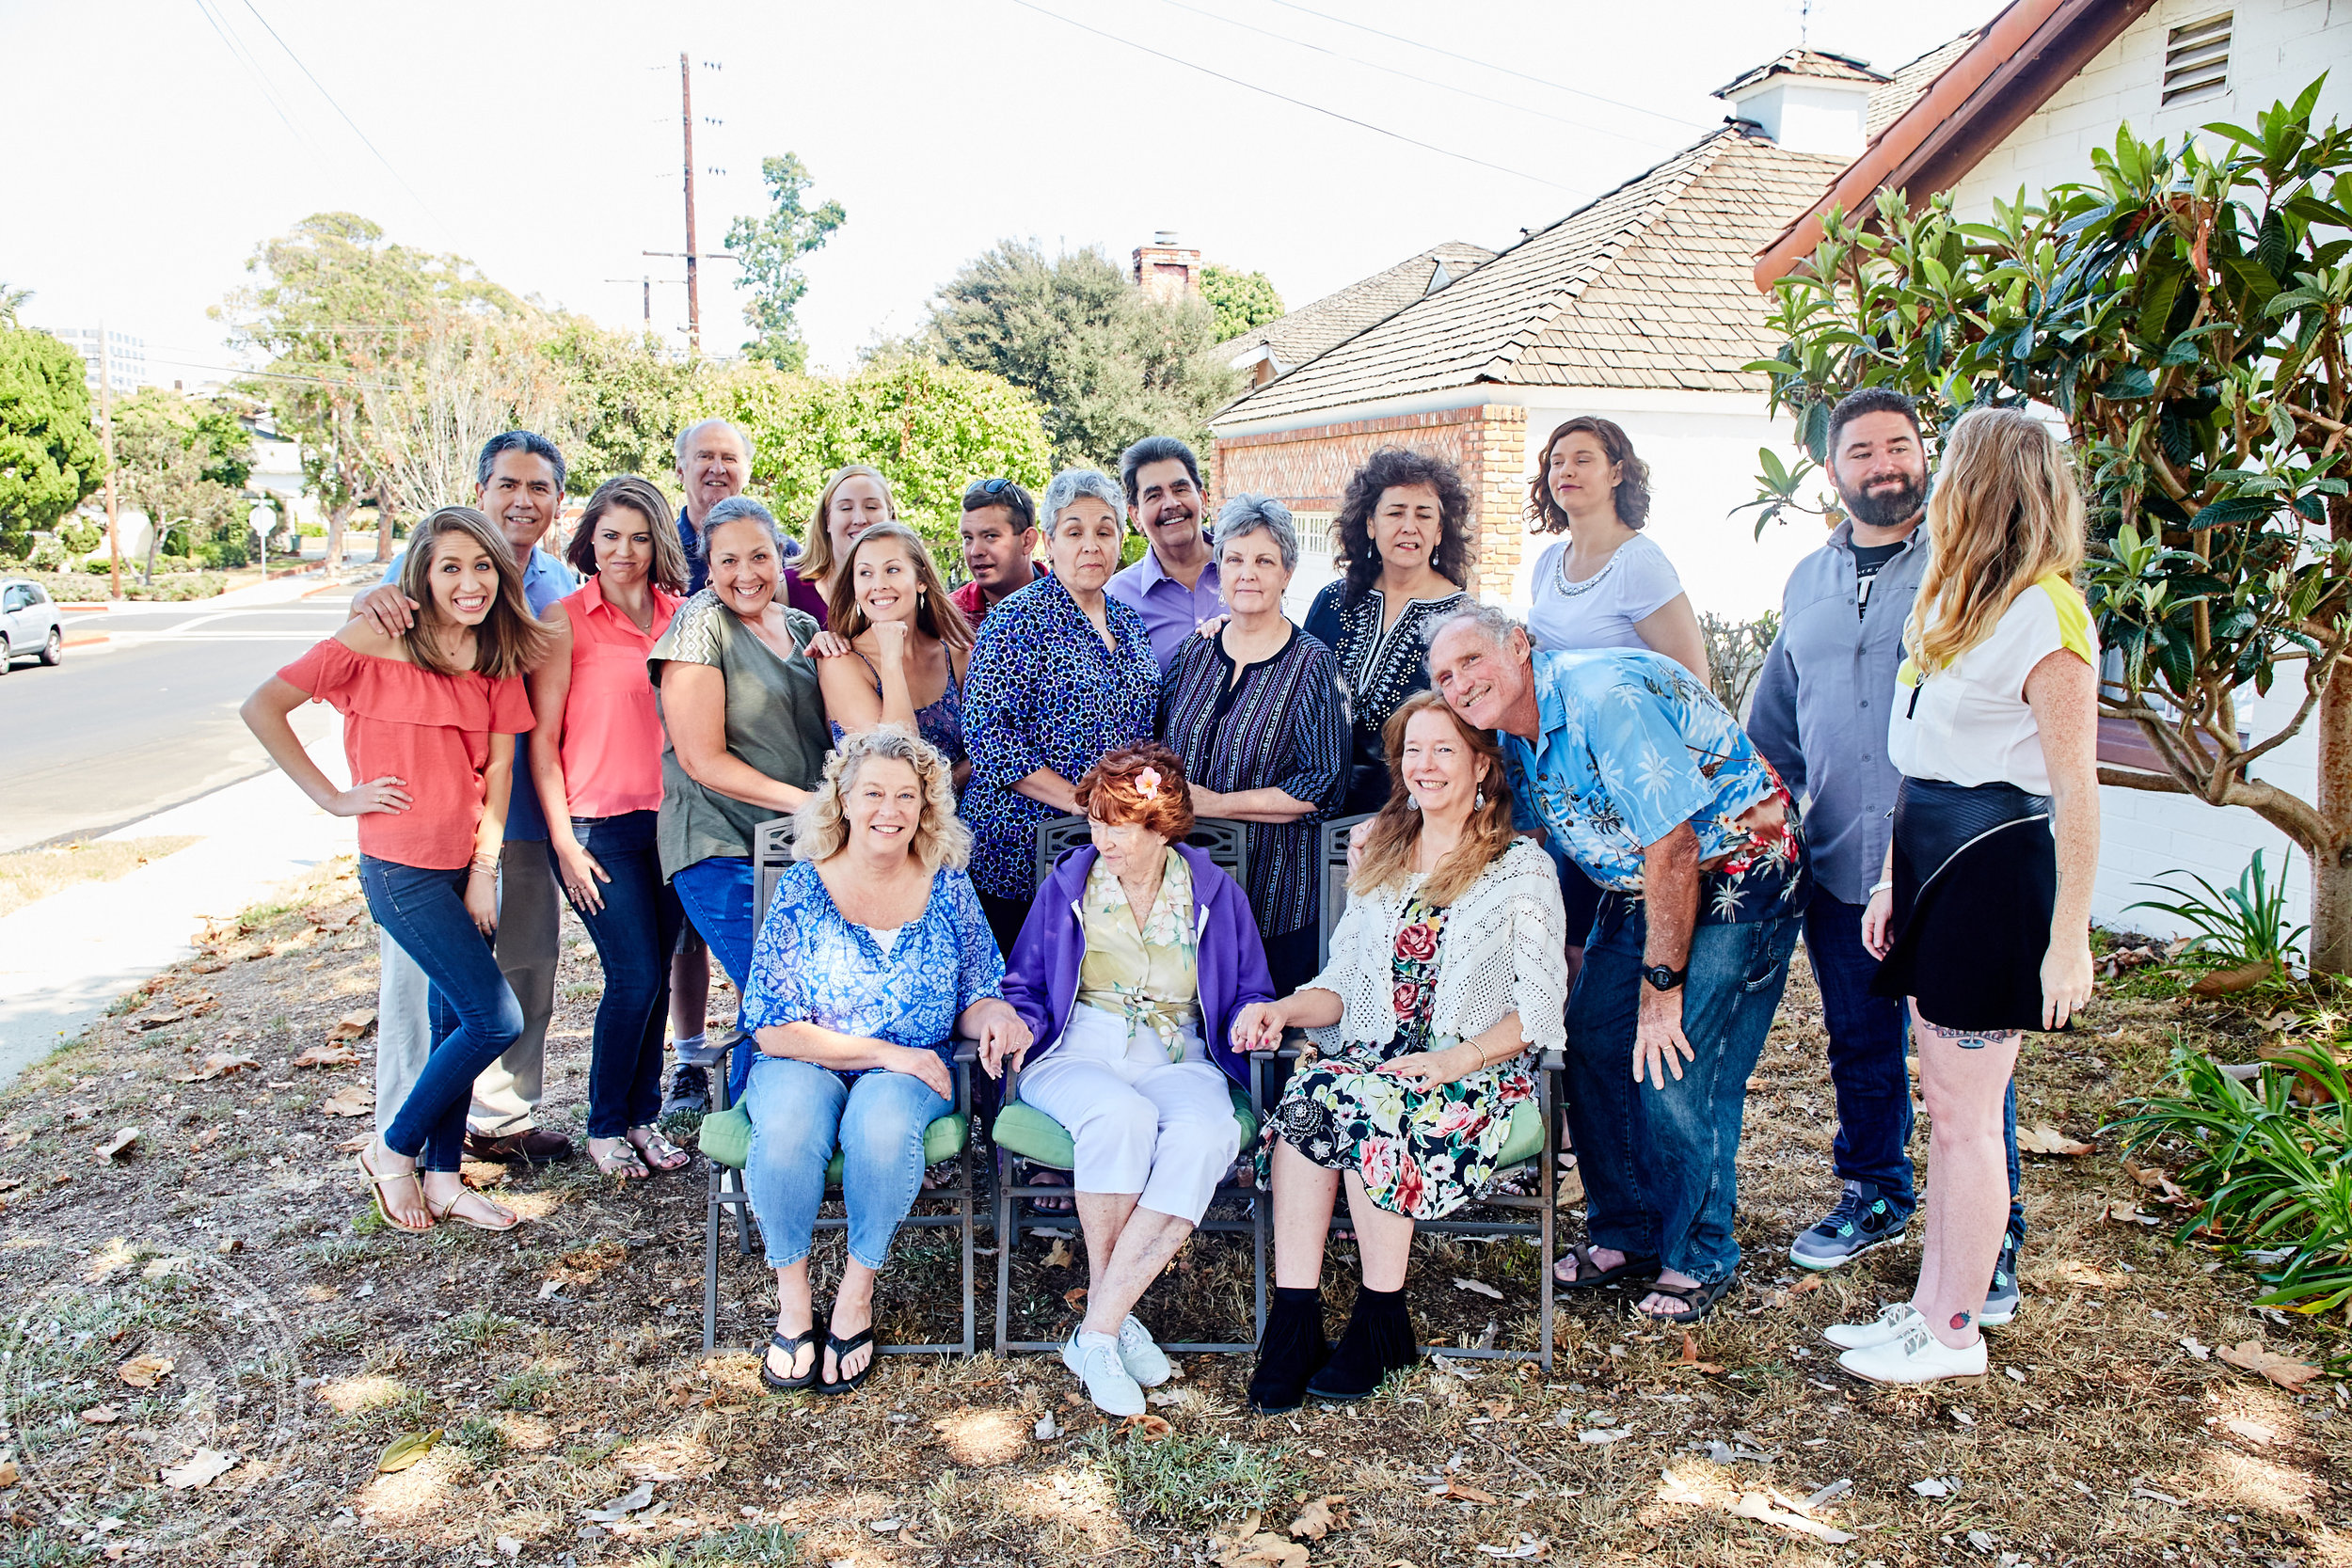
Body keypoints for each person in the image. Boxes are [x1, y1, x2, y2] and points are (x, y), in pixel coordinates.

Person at [1427, 606, 1806, 1325]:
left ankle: (1698, 1251)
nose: (1460, 683)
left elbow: (1677, 845)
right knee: (1594, 1043)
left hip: (1738, 870)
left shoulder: (1605, 698)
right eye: (1446, 676)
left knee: (1679, 1060)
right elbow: (1532, 838)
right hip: (1639, 886)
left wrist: (1660, 991)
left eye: (1472, 660)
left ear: (1518, 645)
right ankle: (1627, 1232)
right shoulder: (1513, 732)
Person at [1829, 407, 2099, 1386]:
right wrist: (1894, 877)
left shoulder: (2047, 611)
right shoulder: (1959, 599)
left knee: (1969, 1114)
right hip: (1934, 861)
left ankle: (1952, 1330)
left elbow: (2075, 789)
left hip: (1995, 873)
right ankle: (1925, 1308)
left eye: (1949, 470)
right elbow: (1923, 760)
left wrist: (2068, 938)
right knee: (1942, 1105)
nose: (1933, 486)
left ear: (1985, 485)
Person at [1747, 388, 2028, 1321]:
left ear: (1926, 455)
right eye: (1861, 451)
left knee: (1970, 1063)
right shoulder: (1804, 582)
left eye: (1898, 447)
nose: (1883, 465)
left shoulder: (1968, 570)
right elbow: (1775, 725)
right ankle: (1874, 1189)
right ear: (1832, 471)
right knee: (1860, 1043)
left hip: (1950, 863)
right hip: (1838, 861)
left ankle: (1992, 1239)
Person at [1235, 694, 1565, 1411]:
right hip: (1380, 1059)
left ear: (1481, 763)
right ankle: (1294, 1321)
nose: (1425, 765)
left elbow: (1537, 1011)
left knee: (1359, 1099)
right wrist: (1284, 1007)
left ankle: (1384, 1317)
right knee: (1310, 1096)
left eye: (1444, 749)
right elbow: (1342, 985)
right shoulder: (1382, 856)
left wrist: (1450, 1061)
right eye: (1412, 750)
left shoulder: (1521, 867)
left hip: (1474, 1074)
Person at [242, 506, 550, 1233]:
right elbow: (264, 706)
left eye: (483, 567)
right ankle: (391, 1148)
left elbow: (499, 775)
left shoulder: (498, 654)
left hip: (465, 867)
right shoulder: (375, 637)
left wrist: (484, 869)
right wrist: (333, 797)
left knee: (455, 1019)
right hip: (401, 871)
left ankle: (444, 1178)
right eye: (451, 566)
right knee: (494, 1017)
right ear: (423, 572)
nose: (470, 582)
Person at [739, 728, 1030, 1393]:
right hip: (811, 1058)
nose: (889, 809)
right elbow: (774, 1028)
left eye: (907, 795)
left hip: (906, 1075)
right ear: (843, 799)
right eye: (873, 792)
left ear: (927, 807)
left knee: (880, 1129)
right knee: (784, 1128)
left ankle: (855, 1292)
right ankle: (792, 1301)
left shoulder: (948, 886)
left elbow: (978, 990)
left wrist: (998, 1017)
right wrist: (884, 1051)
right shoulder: (804, 888)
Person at [991, 745, 1273, 1415]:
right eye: (1096, 820)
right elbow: (1025, 986)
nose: (1104, 839)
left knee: (1207, 1130)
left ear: (1162, 824)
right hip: (1079, 1048)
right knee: (1120, 1115)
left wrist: (1254, 1016)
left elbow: (1249, 989)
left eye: (1121, 824)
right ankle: (1115, 1324)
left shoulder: (1213, 893)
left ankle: (1099, 1329)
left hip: (1178, 1053)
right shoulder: (1068, 885)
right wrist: (1017, 1021)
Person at [349, 431, 578, 1166]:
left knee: (526, 967)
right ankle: (403, 1135)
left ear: (557, 502)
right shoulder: (418, 571)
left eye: (538, 487)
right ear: (481, 491)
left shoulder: (558, 591)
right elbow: (360, 664)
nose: (522, 499)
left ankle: (500, 1120)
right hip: (431, 823)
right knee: (422, 985)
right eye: (508, 484)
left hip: (528, 817)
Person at [528, 475, 691, 1179]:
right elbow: (541, 739)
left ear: (659, 541)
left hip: (675, 822)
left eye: (639, 535)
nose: (623, 550)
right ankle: (603, 1124)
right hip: (597, 826)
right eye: (610, 534)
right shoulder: (564, 619)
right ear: (589, 537)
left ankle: (642, 1115)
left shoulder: (683, 614)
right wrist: (563, 841)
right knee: (632, 974)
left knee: (656, 974)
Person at [650, 496, 834, 1052]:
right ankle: (751, 1127)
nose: (745, 574)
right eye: (727, 561)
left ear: (781, 556)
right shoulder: (700, 624)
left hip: (794, 846)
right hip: (721, 844)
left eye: (758, 556)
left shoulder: (803, 626)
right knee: (777, 1000)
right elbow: (701, 760)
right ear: (709, 566)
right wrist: (809, 804)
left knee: (813, 997)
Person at [961, 467, 1161, 956]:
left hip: (1105, 848)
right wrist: (1078, 801)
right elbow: (989, 737)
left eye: (1104, 531)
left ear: (1120, 541)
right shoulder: (1016, 618)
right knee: (1023, 1004)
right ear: (1049, 542)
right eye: (1074, 532)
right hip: (1018, 853)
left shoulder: (1129, 622)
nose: (1090, 545)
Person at [1157, 495, 1348, 997]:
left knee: (1258, 1040)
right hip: (1184, 888)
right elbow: (1158, 746)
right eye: (1236, 560)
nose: (1248, 574)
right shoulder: (1195, 652)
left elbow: (1320, 787)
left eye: (1264, 561)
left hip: (1276, 895)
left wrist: (1220, 805)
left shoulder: (1314, 666)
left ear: (1286, 573)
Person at [1303, 449, 1473, 816]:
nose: (1409, 527)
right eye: (1395, 513)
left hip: (1410, 816)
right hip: (1310, 813)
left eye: (1424, 515)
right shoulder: (1332, 601)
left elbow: (1471, 736)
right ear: (1370, 524)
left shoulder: (1465, 621)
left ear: (1440, 530)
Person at [818, 521, 975, 787]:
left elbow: (985, 752)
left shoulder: (956, 655)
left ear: (921, 580)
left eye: (892, 570)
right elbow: (895, 763)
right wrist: (891, 658)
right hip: (882, 823)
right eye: (865, 573)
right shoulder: (841, 662)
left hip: (955, 818)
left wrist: (942, 788)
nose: (878, 585)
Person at [1106, 436, 1222, 671]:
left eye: (1180, 489)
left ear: (1203, 499)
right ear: (1135, 516)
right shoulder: (1115, 599)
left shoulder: (1248, 572)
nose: (1171, 503)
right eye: (1154, 496)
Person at [787, 465, 895, 623]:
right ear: (827, 520)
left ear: (891, 516)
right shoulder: (787, 588)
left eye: (871, 507)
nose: (860, 519)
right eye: (845, 508)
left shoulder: (909, 589)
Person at [673, 418, 767, 596]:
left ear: (747, 473)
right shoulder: (659, 553)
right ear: (680, 470)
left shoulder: (783, 553)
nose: (718, 469)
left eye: (729, 458)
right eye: (705, 457)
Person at [952, 478, 1045, 626]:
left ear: (1028, 540)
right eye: (968, 538)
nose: (976, 551)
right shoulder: (948, 617)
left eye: (990, 536)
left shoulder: (1073, 604)